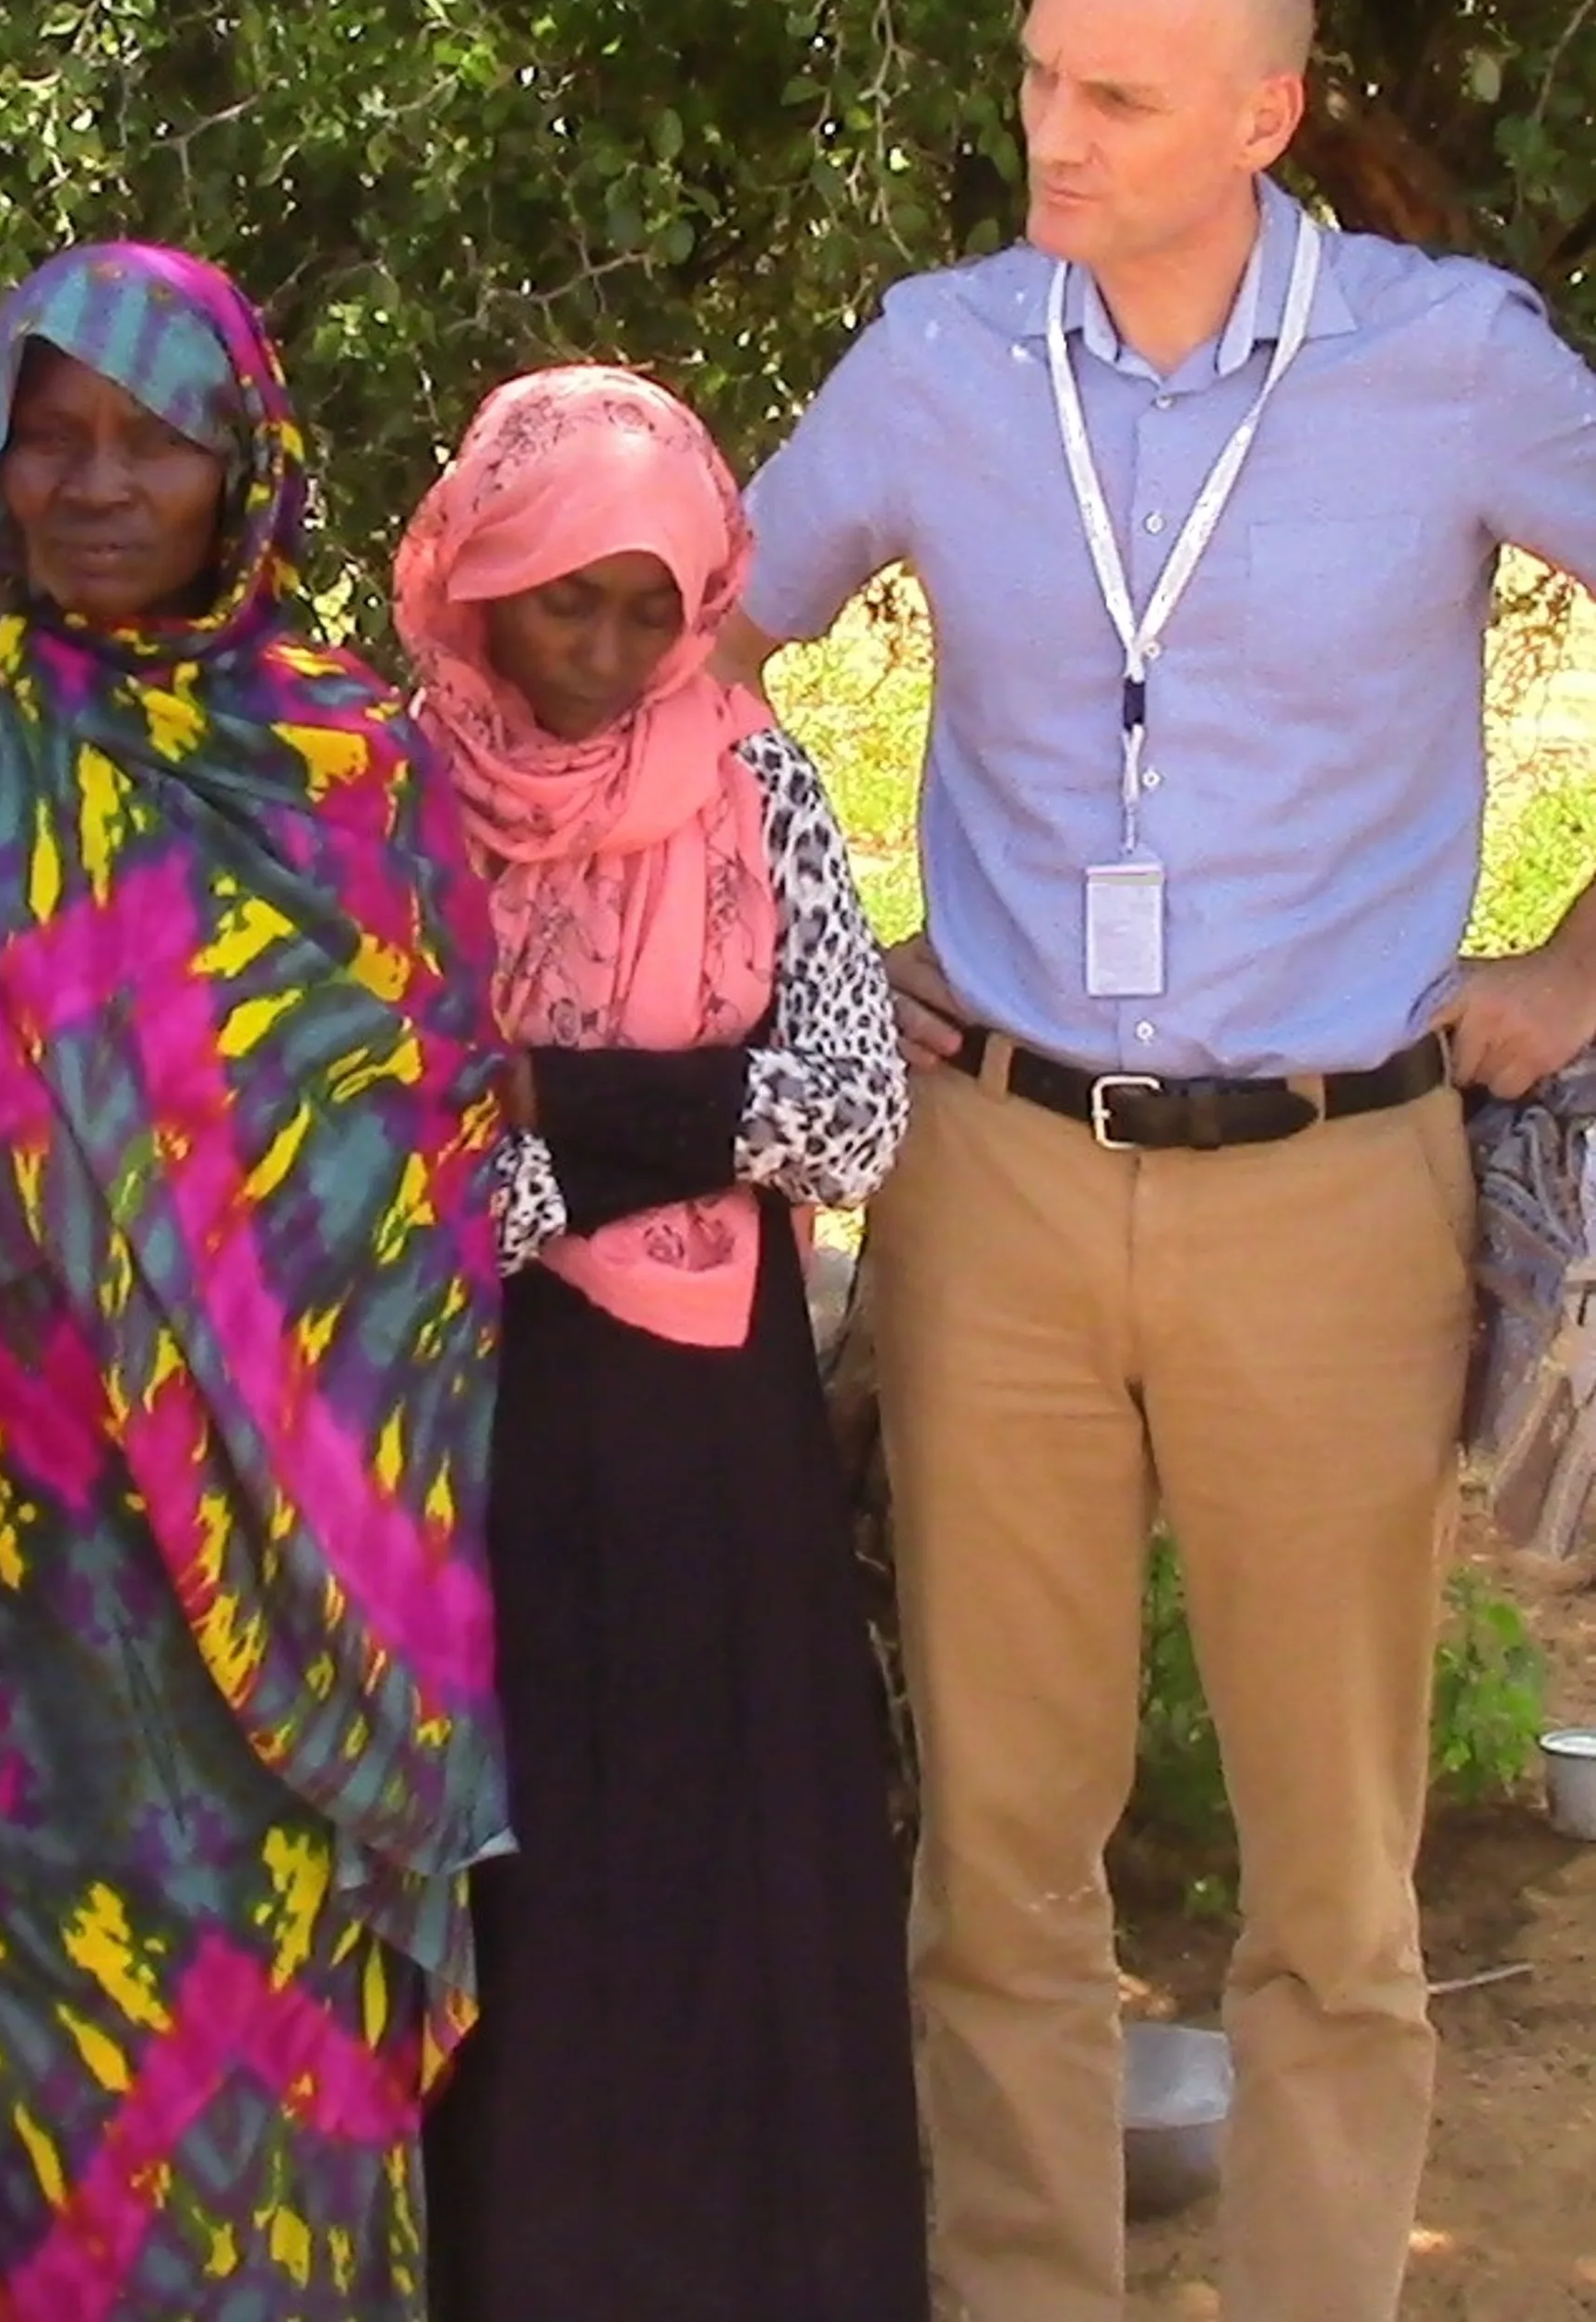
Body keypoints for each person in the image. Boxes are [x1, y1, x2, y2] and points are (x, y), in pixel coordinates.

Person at [723, 0, 1596, 2322]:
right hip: (996, 1174)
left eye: (1114, 96)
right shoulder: (937, 359)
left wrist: (1571, 967)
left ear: (1264, 116)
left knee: (1337, 1879)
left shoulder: (1450, 362)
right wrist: (817, 941)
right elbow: (683, 652)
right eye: (1037, 74)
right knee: (1002, 1853)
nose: (1052, 131)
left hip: (1336, 1180)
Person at [0, 243, 507, 2320]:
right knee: (11, 2079)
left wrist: (256, 1381)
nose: (95, 485)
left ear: (242, 466)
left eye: (153, 441)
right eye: (51, 438)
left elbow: (429, 1185)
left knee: (267, 2076)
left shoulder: (348, 773)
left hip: (284, 1608)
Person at [392, 367, 924, 2319]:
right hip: (471, 1428)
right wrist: (687, 1115)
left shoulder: (754, 779)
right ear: (480, 582)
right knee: (524, 1885)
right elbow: (389, 1143)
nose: (608, 655)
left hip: (714, 1429)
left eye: (651, 608)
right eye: (565, 603)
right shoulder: (386, 796)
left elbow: (854, 1116)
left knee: (737, 1862)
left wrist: (558, 1110)